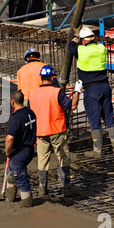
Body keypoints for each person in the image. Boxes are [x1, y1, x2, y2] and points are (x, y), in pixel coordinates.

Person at [68, 26, 114, 158]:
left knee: (94, 119)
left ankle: (97, 151)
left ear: (83, 40)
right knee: (109, 117)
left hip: (91, 89)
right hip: (105, 86)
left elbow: (70, 47)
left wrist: (75, 37)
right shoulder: (102, 48)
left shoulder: (81, 50)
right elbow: (92, 44)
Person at [28, 65, 82, 197]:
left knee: (42, 160)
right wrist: (77, 91)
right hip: (57, 131)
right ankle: (66, 188)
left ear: (41, 78)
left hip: (40, 132)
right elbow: (73, 106)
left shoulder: (32, 94)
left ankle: (42, 188)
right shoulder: (57, 92)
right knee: (63, 158)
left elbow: (30, 113)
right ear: (52, 77)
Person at [4, 90, 37, 207]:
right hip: (29, 149)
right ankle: (10, 196)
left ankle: (27, 203)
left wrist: (8, 151)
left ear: (12, 102)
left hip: (19, 152)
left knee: (20, 177)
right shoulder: (31, 112)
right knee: (11, 173)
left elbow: (9, 138)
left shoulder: (16, 118)